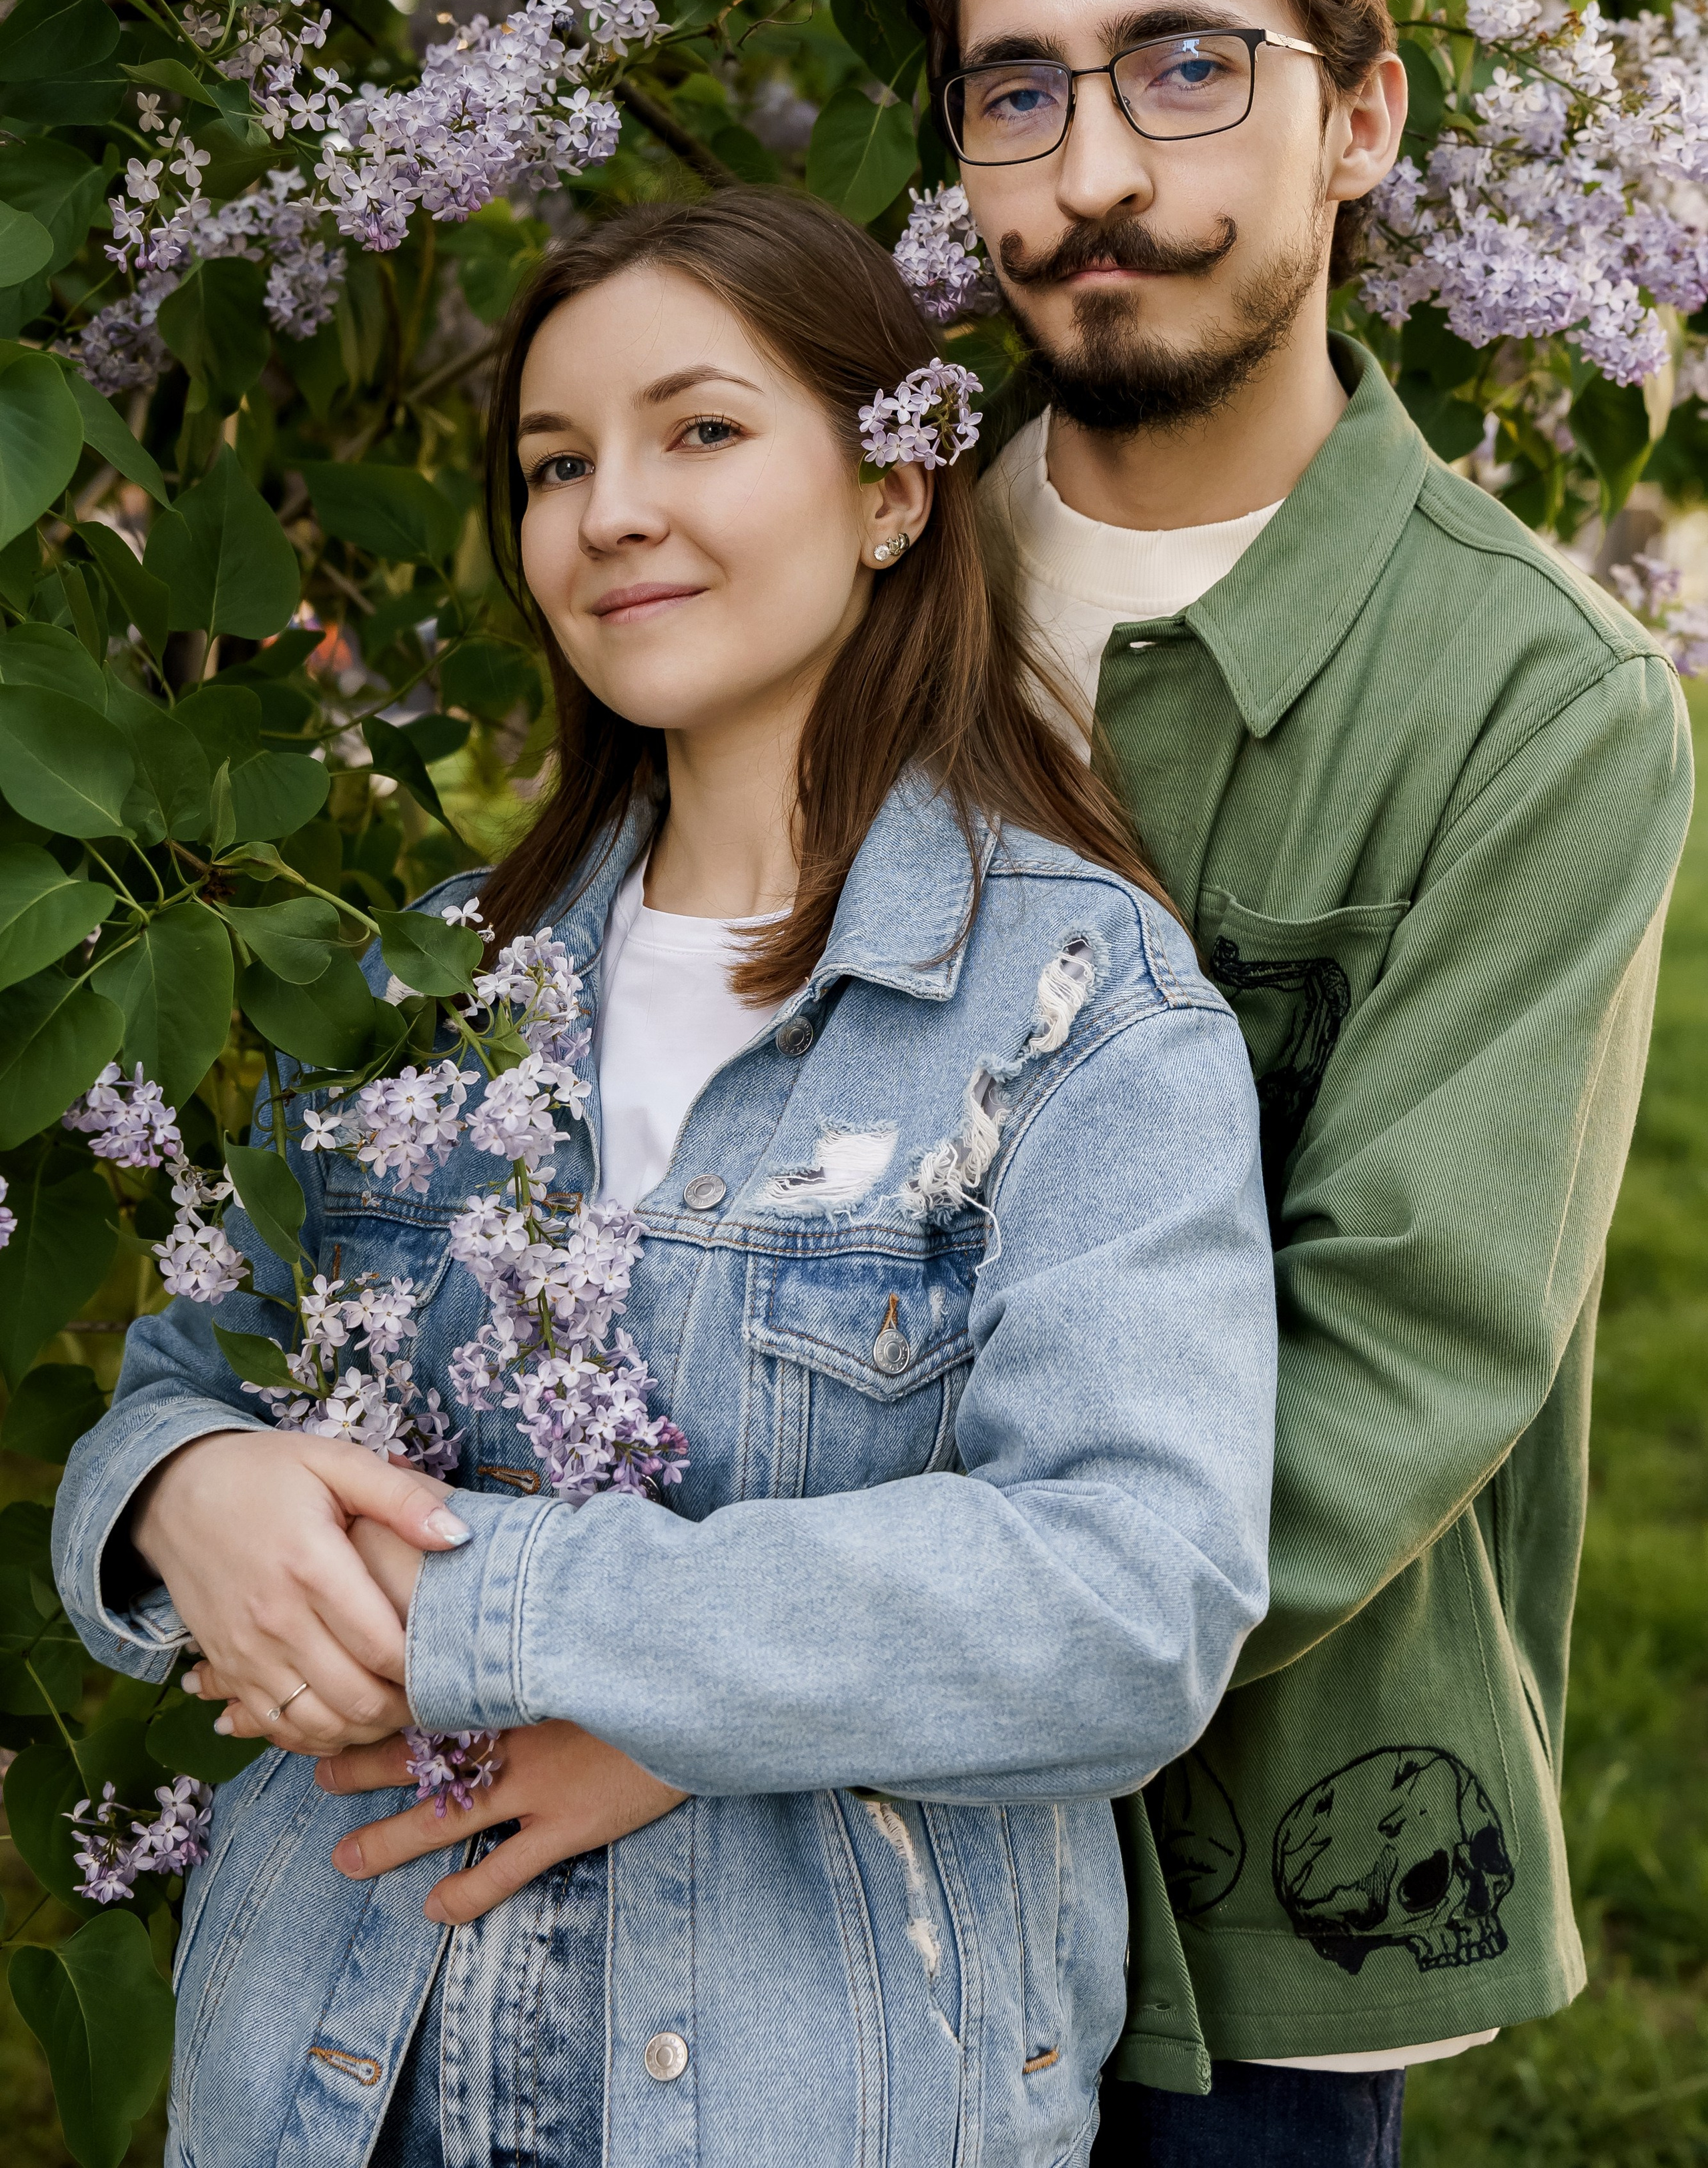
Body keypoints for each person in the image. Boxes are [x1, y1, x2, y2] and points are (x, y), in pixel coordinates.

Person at [56, 189, 1278, 2168]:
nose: (609, 510)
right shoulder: (413, 984)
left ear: (893, 493)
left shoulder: (1070, 1006)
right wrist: (179, 1494)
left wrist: (509, 1615)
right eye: (556, 463)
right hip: (324, 2071)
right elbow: (189, 1386)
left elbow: (1133, 1600)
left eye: (699, 431)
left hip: (811, 2089)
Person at [907, 0, 1696, 2167]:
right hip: (748, 1860)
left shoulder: (1538, 707)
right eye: (1016, 91)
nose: (1096, 171)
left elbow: (1397, 1360)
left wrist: (795, 1676)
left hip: (1236, 1911)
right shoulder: (843, 576)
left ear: (1359, 115)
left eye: (1180, 65)